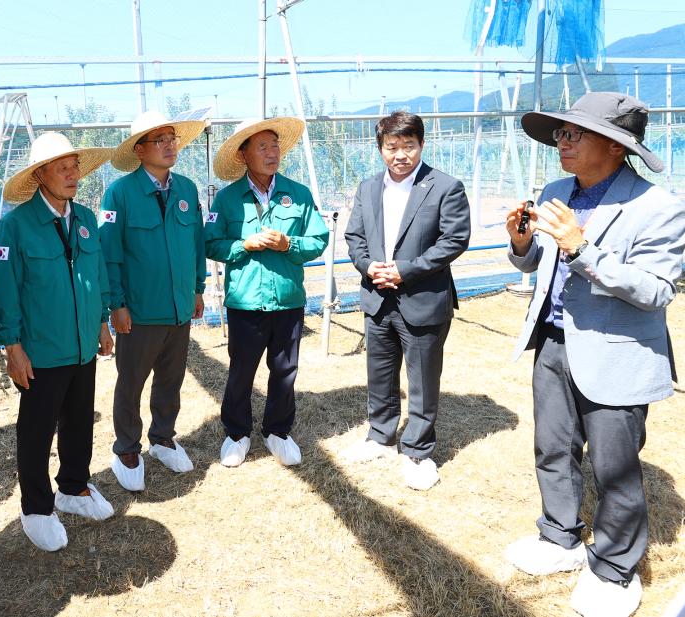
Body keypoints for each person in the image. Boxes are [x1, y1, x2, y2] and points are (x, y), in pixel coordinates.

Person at [503, 92, 685, 617]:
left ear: (613, 144)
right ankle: (560, 536)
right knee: (553, 448)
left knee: (615, 467)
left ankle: (613, 569)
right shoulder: (557, 189)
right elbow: (539, 264)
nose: (561, 141)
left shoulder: (658, 206)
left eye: (572, 133)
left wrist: (583, 250)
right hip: (554, 342)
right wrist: (522, 245)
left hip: (616, 353)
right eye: (560, 133)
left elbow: (655, 290)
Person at [0, 132, 116, 551]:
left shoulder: (85, 218)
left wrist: (102, 323)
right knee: (36, 431)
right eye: (60, 167)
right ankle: (37, 508)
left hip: (82, 344)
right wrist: (12, 346)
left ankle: (74, 487)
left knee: (80, 420)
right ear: (39, 174)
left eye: (74, 165)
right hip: (41, 350)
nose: (71, 174)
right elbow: (7, 292)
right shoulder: (14, 226)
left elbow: (96, 275)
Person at [340, 111, 471, 491]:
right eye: (392, 147)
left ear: (422, 145)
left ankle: (417, 451)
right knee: (379, 373)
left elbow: (454, 240)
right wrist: (369, 268)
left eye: (409, 146)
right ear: (381, 149)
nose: (401, 155)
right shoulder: (368, 188)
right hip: (378, 295)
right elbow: (355, 237)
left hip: (423, 297)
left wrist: (405, 270)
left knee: (423, 379)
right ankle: (380, 436)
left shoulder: (445, 186)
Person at [204, 117, 329, 468]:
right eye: (262, 147)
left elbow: (318, 239)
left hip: (288, 300)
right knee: (242, 370)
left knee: (285, 369)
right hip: (245, 302)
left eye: (274, 146)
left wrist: (290, 243)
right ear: (243, 155)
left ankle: (277, 431)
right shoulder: (228, 199)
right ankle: (237, 433)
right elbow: (210, 243)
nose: (272, 153)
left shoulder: (298, 194)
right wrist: (243, 244)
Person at [100, 110, 206, 491]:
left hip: (179, 306)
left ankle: (163, 437)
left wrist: (197, 287)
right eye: (159, 139)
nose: (169, 145)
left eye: (172, 138)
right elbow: (109, 252)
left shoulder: (187, 189)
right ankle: (127, 448)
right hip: (140, 311)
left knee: (171, 378)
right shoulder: (120, 193)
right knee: (131, 382)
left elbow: (196, 244)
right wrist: (116, 303)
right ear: (139, 149)